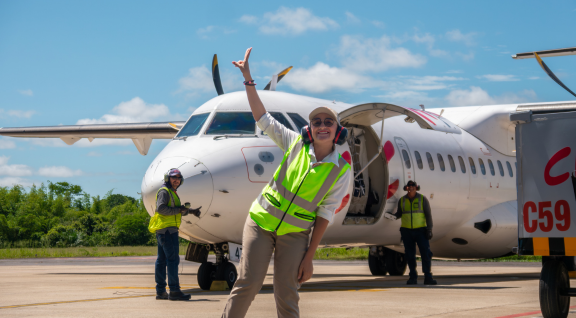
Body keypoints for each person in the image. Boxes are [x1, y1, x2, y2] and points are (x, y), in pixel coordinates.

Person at [221, 47, 352, 318]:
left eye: (328, 121)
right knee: (248, 283)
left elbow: (325, 214)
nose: (322, 125)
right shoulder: (294, 143)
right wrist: (248, 80)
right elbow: (262, 118)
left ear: (338, 131)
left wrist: (309, 257)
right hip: (261, 222)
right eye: (316, 121)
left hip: (295, 234)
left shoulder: (341, 170)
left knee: (287, 291)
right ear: (310, 128)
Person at [148, 168, 201, 301]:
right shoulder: (165, 192)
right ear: (168, 179)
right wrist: (178, 209)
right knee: (172, 260)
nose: (176, 180)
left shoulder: (171, 192)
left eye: (178, 178)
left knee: (161, 260)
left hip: (164, 230)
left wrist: (191, 211)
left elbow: (175, 210)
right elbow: (161, 208)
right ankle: (174, 291)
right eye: (173, 177)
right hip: (167, 231)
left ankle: (161, 291)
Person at [393, 180, 437, 285]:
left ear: (416, 188)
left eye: (413, 186)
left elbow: (428, 215)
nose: (411, 188)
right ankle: (413, 276)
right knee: (409, 255)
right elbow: (399, 213)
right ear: (406, 188)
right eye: (409, 186)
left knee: (425, 254)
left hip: (421, 231)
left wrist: (429, 229)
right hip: (406, 231)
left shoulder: (422, 199)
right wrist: (393, 216)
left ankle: (428, 277)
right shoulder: (402, 200)